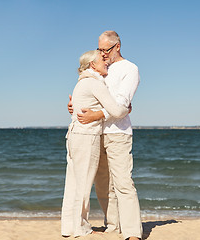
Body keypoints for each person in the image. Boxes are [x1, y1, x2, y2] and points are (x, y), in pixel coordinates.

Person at [68, 31, 142, 240]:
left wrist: (97, 115)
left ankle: (132, 232)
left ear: (117, 46)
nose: (102, 54)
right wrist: (75, 108)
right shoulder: (101, 68)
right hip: (93, 134)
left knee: (123, 183)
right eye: (99, 49)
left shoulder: (130, 69)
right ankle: (113, 225)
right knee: (102, 184)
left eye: (105, 50)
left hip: (117, 133)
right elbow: (91, 96)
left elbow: (121, 103)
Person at [61, 50, 130, 238]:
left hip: (75, 136)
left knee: (74, 183)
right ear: (93, 64)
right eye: (102, 59)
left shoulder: (82, 82)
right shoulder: (93, 83)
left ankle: (69, 226)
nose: (105, 61)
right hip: (86, 137)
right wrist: (127, 108)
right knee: (83, 184)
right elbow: (116, 110)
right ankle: (79, 227)